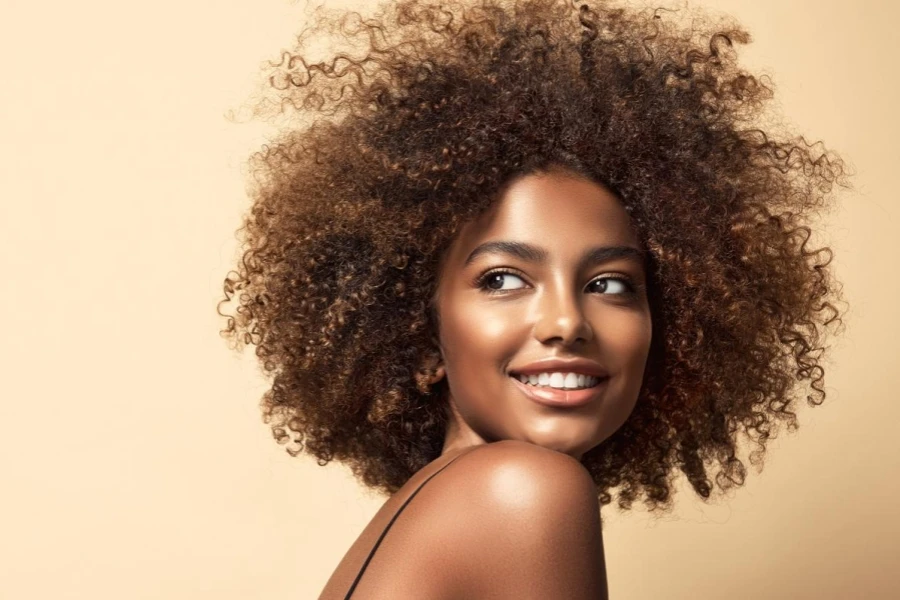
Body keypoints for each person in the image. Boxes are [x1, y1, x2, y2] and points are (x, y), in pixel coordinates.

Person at [217, 0, 848, 597]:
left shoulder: (441, 502)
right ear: (421, 338)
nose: (568, 322)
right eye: (503, 279)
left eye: (611, 285)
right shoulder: (522, 491)